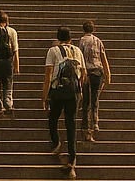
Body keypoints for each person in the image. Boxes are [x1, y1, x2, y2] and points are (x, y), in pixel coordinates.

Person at [44, 27, 86, 177]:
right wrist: (79, 90)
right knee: (71, 124)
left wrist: (44, 95)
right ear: (70, 38)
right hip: (73, 93)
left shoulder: (53, 51)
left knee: (53, 118)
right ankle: (72, 160)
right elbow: (84, 73)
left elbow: (48, 74)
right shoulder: (77, 51)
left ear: (58, 37)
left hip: (57, 91)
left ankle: (56, 143)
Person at [77, 20, 112, 143]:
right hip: (98, 71)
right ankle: (95, 122)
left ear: (83, 30)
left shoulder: (82, 41)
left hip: (87, 72)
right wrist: (108, 73)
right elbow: (103, 57)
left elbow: (80, 57)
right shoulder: (98, 41)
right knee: (95, 98)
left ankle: (86, 125)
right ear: (94, 29)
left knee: (86, 100)